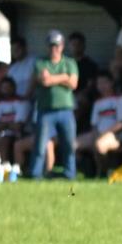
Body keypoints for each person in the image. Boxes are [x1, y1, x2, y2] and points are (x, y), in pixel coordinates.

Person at [30, 30, 79, 179]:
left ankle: (70, 173)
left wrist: (55, 78)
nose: (54, 49)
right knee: (40, 145)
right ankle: (36, 174)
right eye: (51, 45)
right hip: (45, 110)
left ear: (62, 46)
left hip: (66, 110)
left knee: (69, 144)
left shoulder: (70, 62)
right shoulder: (40, 62)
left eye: (57, 45)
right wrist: (64, 77)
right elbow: (44, 81)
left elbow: (73, 83)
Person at [75, 73, 122, 178]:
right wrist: (96, 134)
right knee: (72, 144)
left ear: (111, 83)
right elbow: (94, 124)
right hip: (97, 133)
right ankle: (85, 171)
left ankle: (103, 172)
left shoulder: (121, 99)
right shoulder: (97, 103)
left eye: (104, 83)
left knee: (99, 145)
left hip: (115, 135)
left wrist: (104, 133)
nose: (101, 86)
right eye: (99, 83)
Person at [0, 76, 32, 176]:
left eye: (8, 87)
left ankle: (17, 171)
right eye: (4, 88)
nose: (6, 90)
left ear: (14, 88)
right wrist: (8, 125)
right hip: (3, 135)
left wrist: (3, 125)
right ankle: (5, 169)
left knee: (9, 140)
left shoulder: (22, 103)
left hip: (21, 134)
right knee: (3, 139)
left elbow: (18, 126)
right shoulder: (0, 105)